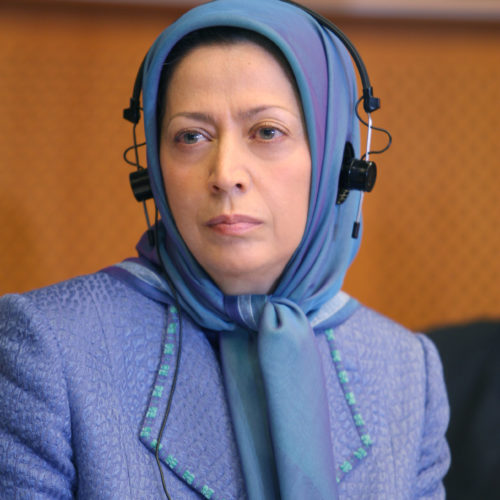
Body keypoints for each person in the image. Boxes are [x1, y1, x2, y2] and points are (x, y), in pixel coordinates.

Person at [0, 0, 450, 498]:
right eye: (191, 136)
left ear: (338, 164)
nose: (225, 174)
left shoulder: (406, 370)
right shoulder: (48, 348)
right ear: (152, 171)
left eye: (267, 132)